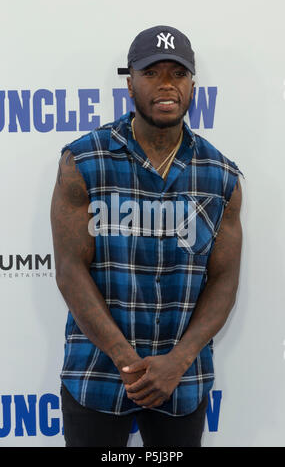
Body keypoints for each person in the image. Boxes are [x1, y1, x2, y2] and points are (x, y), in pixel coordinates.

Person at [50, 25, 243, 447]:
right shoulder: (84, 160)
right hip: (97, 373)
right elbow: (69, 270)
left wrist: (178, 360)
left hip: (181, 380)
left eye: (178, 73)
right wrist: (126, 360)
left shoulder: (221, 176)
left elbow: (225, 281)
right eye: (152, 72)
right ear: (130, 82)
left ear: (193, 83)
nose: (167, 85)